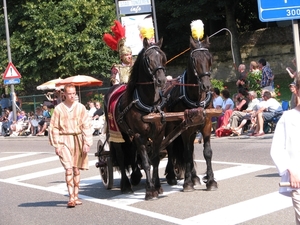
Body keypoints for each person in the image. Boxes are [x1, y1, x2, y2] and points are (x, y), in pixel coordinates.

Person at [48, 84, 93, 208]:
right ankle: (71, 197)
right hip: (64, 139)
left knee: (76, 169)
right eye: (70, 93)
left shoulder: (81, 108)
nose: (72, 95)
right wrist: (57, 145)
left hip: (78, 138)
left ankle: (76, 195)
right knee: (68, 168)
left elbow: (86, 125)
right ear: (65, 95)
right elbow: (54, 127)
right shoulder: (58, 109)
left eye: (74, 93)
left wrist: (87, 142)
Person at [270, 77, 300, 225]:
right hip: (297, 179)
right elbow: (277, 148)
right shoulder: (288, 117)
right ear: (298, 92)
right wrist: (291, 172)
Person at [103, 20, 134, 86]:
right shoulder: (117, 68)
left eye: (130, 54)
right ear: (121, 57)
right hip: (123, 89)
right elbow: (114, 83)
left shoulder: (135, 66)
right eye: (126, 55)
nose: (129, 56)